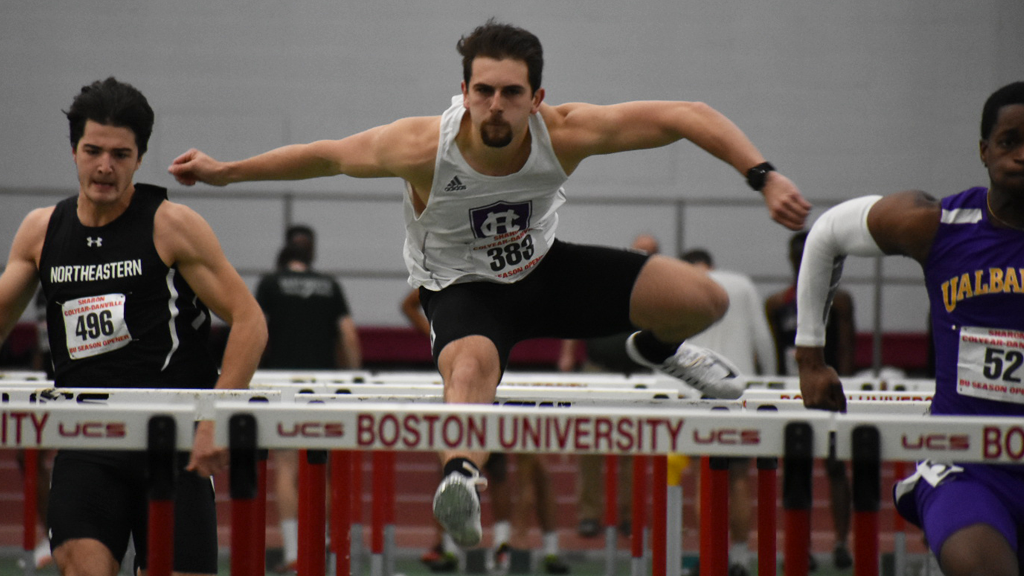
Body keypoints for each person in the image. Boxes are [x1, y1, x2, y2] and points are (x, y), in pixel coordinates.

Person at [168, 20, 811, 547]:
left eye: (510, 93)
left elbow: (686, 115)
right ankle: (460, 479)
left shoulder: (564, 133)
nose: (495, 107)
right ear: (464, 91)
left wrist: (764, 176)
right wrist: (227, 173)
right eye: (483, 92)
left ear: (536, 98)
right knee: (471, 366)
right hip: (461, 287)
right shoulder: (423, 147)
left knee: (706, 299)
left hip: (543, 271)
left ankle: (656, 347)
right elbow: (328, 155)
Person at [0, 77, 268, 576]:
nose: (105, 166)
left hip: (172, 444)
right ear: (75, 151)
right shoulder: (41, 231)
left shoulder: (171, 224)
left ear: (140, 158)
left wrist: (215, 416)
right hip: (88, 442)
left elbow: (250, 321)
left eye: (120, 154)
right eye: (93, 150)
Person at [795, 81, 1024, 576]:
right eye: (1009, 141)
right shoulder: (937, 224)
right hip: (966, 466)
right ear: (984, 150)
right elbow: (828, 232)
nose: (1022, 156)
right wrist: (810, 360)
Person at [256, 227, 362, 573]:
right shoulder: (330, 285)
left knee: (286, 467)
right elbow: (348, 335)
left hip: (283, 384)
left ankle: (291, 553)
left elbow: (255, 330)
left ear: (284, 251)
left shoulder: (270, 284)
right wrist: (354, 380)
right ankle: (325, 546)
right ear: (311, 253)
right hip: (324, 387)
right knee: (323, 467)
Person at [558, 233, 662, 540]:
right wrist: (566, 355)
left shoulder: (660, 288)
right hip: (598, 371)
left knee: (633, 448)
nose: (641, 257)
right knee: (589, 445)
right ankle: (589, 515)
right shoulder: (608, 277)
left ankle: (630, 516)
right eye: (637, 251)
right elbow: (575, 314)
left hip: (639, 374)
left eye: (649, 253)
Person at [681, 248, 776, 576]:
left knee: (701, 475)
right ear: (712, 263)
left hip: (697, 392)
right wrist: (773, 381)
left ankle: (710, 556)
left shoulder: (682, 285)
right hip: (739, 389)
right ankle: (738, 559)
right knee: (738, 477)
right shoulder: (741, 284)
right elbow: (763, 339)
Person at [766, 231, 854, 570]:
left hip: (832, 391)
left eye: (807, 255)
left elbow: (846, 349)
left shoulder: (841, 301)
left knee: (835, 466)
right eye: (796, 256)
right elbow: (776, 356)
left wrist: (846, 388)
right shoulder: (777, 303)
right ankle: (798, 544)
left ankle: (842, 542)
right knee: (795, 470)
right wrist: (779, 394)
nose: (801, 262)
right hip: (792, 392)